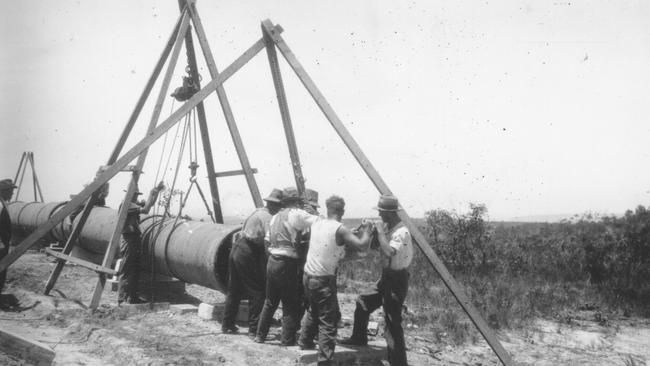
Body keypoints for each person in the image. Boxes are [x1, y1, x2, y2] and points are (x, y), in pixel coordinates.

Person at [298, 195, 373, 365]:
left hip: (308, 276)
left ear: (328, 208)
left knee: (314, 309)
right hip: (323, 279)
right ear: (342, 211)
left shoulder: (317, 222)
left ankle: (305, 341)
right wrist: (367, 231)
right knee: (328, 322)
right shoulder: (340, 229)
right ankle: (325, 361)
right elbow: (361, 245)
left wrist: (350, 233)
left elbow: (332, 238)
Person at [341, 195, 413, 366]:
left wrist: (380, 231)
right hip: (386, 277)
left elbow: (388, 252)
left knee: (392, 323)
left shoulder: (401, 233)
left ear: (388, 213)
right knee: (363, 302)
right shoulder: (390, 229)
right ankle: (359, 338)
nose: (380, 215)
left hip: (396, 280)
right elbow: (374, 246)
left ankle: (399, 363)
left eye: (381, 212)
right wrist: (369, 231)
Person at [255, 187, 317, 345]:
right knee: (290, 303)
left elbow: (267, 240)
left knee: (270, 302)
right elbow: (320, 223)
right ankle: (287, 340)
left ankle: (260, 336)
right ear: (296, 202)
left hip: (272, 261)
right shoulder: (296, 214)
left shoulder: (275, 217)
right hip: (286, 263)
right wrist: (313, 213)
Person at [222, 188, 283, 336]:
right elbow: (265, 243)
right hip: (248, 251)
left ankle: (227, 324)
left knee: (234, 290)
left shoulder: (257, 212)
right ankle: (254, 329)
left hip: (237, 249)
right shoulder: (269, 218)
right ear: (275, 205)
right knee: (258, 292)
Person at [117, 182, 165, 305]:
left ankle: (132, 297)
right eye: (135, 194)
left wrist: (156, 191)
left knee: (135, 269)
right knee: (127, 268)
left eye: (137, 194)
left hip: (134, 239)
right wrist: (151, 193)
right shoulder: (127, 204)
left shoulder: (132, 204)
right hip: (129, 240)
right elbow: (146, 209)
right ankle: (122, 298)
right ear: (129, 194)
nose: (136, 197)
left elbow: (149, 204)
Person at [0, 179, 17, 297]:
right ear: (3, 191)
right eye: (10, 191)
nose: (12, 193)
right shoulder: (0, 206)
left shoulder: (3, 204)